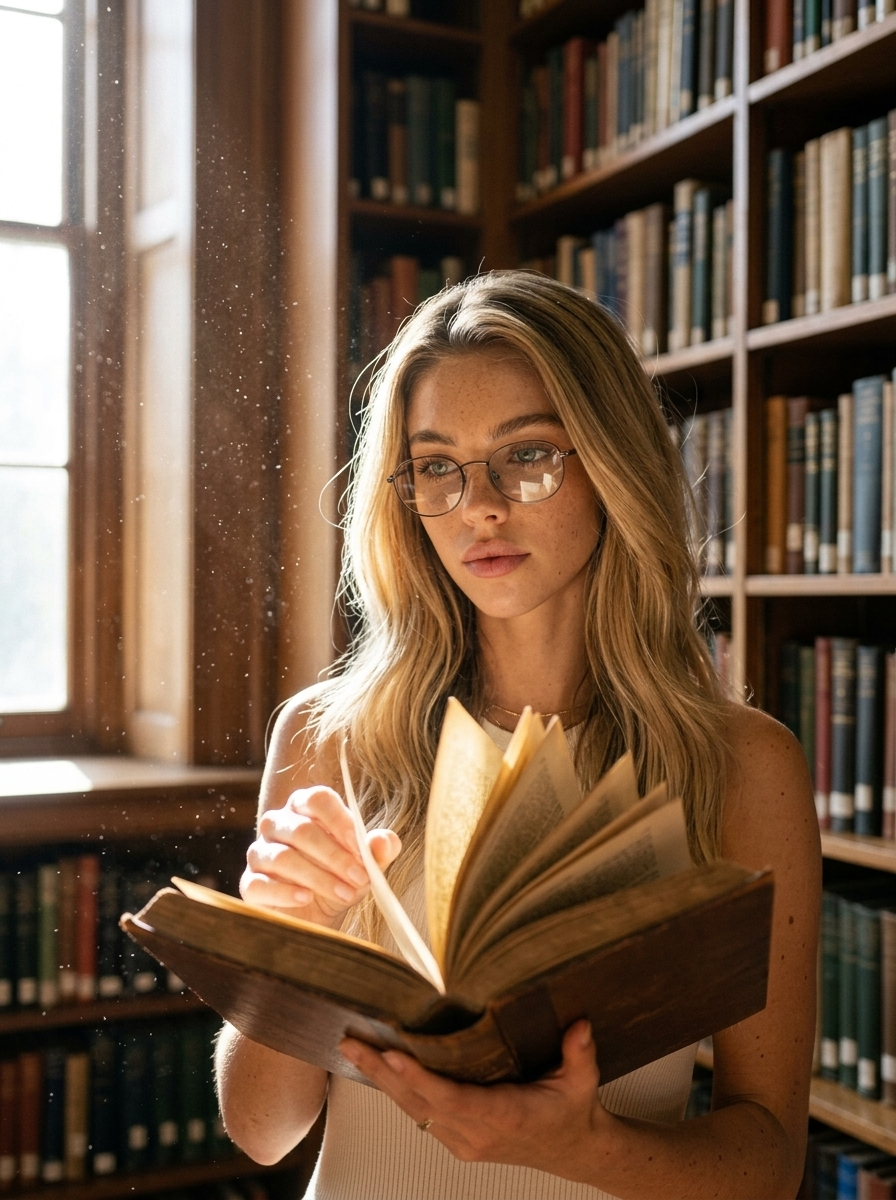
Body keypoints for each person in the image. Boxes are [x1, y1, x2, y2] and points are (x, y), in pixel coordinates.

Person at [215, 271, 820, 1200]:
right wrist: (289, 942)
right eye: (436, 466)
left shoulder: (741, 767)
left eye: (527, 455)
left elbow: (771, 1165)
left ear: (613, 461)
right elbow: (261, 1132)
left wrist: (580, 1146)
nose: (479, 507)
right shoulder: (326, 738)